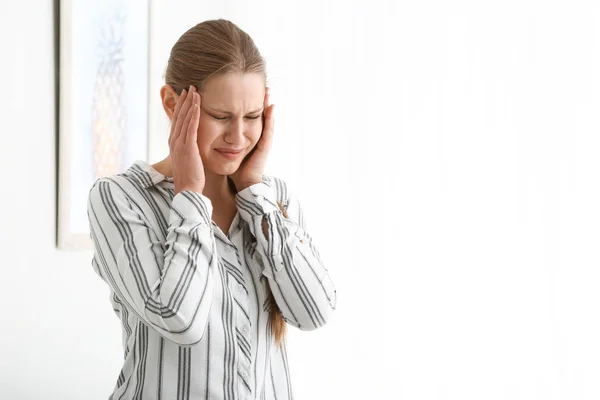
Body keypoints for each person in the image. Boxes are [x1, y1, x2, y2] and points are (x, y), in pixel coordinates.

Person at [87, 19, 337, 400]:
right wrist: (190, 194)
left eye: (252, 117)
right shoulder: (119, 198)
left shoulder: (273, 200)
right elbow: (178, 319)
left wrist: (255, 192)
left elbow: (313, 312)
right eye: (221, 117)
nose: (238, 137)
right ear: (173, 104)